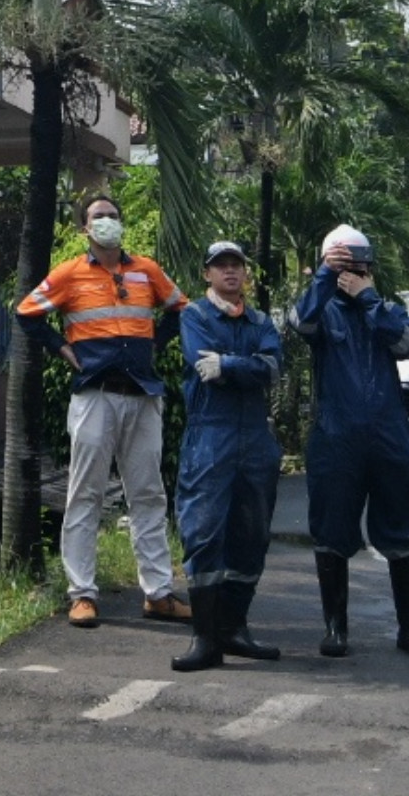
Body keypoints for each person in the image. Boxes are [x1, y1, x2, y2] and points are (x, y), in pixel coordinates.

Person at [15, 191, 191, 628]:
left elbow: (181, 310)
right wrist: (61, 348)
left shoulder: (146, 269)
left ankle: (159, 593)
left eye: (113, 215)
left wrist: (156, 343)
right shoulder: (69, 273)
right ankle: (82, 594)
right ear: (84, 228)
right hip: (94, 393)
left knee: (149, 494)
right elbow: (26, 313)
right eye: (99, 217)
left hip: (143, 394)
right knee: (85, 494)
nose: (107, 221)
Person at [291, 223, 409, 661]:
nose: (354, 271)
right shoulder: (320, 311)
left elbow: (408, 341)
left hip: (390, 435)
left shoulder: (384, 309)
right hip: (336, 436)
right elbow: (300, 323)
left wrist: (369, 300)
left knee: (404, 526)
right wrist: (323, 276)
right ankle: (336, 628)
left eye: (360, 264)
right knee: (332, 529)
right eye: (344, 264)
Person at [170, 240, 286, 672]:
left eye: (236, 265)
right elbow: (204, 368)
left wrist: (230, 365)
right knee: (203, 533)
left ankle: (235, 629)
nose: (230, 272)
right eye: (221, 266)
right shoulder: (195, 316)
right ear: (208, 274)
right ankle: (205, 639)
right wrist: (245, 365)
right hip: (210, 437)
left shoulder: (260, 321)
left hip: (256, 440)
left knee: (251, 535)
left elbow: (273, 368)